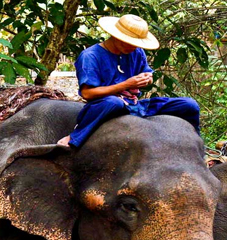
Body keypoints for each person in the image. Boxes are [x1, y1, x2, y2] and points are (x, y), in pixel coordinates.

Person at [58, 15, 202, 148]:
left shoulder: (137, 52)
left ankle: (199, 148)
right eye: (129, 42)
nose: (133, 47)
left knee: (189, 105)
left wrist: (147, 79)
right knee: (114, 102)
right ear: (115, 36)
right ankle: (75, 137)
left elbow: (146, 72)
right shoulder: (90, 56)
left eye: (136, 43)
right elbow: (87, 93)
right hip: (105, 105)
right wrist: (126, 84)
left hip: (135, 105)